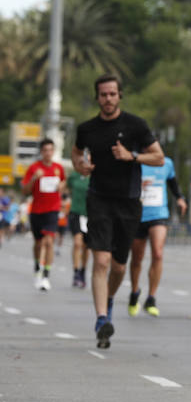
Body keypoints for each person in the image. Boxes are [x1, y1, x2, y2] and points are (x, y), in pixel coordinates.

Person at [72, 73, 164, 348]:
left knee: (119, 266)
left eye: (112, 94)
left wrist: (132, 156)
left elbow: (158, 157)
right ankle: (102, 319)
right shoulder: (87, 128)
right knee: (100, 261)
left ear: (119, 95)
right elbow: (76, 152)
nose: (108, 99)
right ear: (97, 97)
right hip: (98, 199)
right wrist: (80, 165)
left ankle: (109, 301)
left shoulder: (136, 125)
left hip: (129, 201)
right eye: (103, 94)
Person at [127, 156, 187, 317]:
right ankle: (134, 292)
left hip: (158, 214)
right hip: (138, 215)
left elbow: (172, 182)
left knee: (158, 253)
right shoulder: (135, 162)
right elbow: (123, 185)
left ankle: (151, 298)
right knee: (137, 258)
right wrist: (138, 186)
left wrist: (180, 198)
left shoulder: (166, 163)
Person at [22, 138, 67, 291]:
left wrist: (61, 186)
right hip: (36, 210)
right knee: (39, 243)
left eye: (50, 150)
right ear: (41, 152)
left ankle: (46, 275)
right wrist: (34, 178)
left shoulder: (58, 168)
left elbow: (63, 182)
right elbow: (25, 191)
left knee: (49, 242)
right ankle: (37, 266)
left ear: (53, 151)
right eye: (45, 150)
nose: (48, 153)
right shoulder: (34, 168)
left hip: (52, 210)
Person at [67, 170, 91, 288]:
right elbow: (65, 187)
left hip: (90, 214)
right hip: (76, 213)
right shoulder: (74, 175)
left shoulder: (97, 175)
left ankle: (83, 270)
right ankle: (76, 272)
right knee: (77, 243)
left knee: (87, 246)